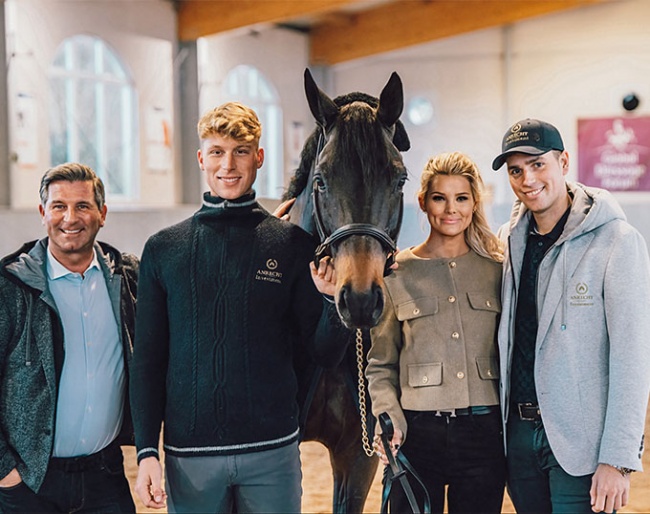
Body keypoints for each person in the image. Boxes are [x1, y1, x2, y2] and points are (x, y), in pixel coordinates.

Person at [130, 101, 346, 513]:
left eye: (241, 151)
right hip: (189, 458)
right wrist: (145, 452)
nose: (228, 164)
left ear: (259, 157)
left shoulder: (291, 246)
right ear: (201, 158)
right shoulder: (162, 250)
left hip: (272, 453)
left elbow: (323, 354)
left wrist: (330, 301)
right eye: (216, 151)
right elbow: (148, 362)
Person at [492, 118, 650, 514]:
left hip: (584, 446)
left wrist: (618, 457)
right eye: (516, 170)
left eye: (537, 164)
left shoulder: (618, 241)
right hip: (520, 438)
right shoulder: (507, 242)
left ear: (563, 162)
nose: (527, 179)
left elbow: (633, 357)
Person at [367, 151, 506, 513]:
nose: (450, 209)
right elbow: (380, 364)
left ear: (475, 203)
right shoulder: (396, 273)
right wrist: (388, 417)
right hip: (416, 435)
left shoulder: (497, 271)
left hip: (483, 436)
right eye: (439, 197)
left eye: (461, 198)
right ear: (423, 202)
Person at [0, 163, 138, 513]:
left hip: (105, 475)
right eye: (59, 206)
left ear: (102, 213)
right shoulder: (9, 286)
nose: (70, 218)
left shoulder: (128, 280)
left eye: (83, 206)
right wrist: (6, 471)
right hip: (29, 484)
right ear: (42, 212)